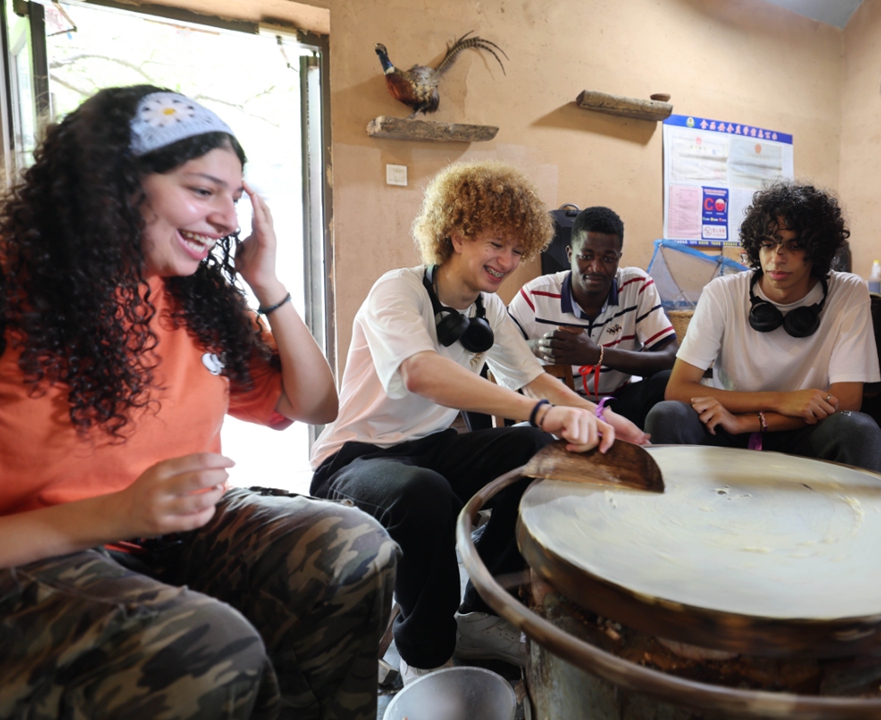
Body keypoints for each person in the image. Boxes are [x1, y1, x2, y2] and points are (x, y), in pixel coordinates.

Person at [0, 86, 396, 720]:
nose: (230, 221)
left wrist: (267, 283)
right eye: (203, 190)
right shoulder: (13, 288)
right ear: (110, 183)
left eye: (234, 199)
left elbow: (316, 404)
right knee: (206, 647)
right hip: (39, 554)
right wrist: (116, 512)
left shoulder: (193, 299)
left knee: (351, 547)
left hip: (173, 531)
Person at [309, 161, 647, 677]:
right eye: (496, 244)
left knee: (534, 448)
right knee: (422, 493)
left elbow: (535, 379)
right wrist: (543, 411)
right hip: (356, 458)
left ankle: (479, 615)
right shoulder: (396, 291)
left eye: (517, 249)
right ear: (457, 233)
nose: (507, 261)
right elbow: (423, 374)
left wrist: (602, 417)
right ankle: (426, 658)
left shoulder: (489, 306)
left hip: (430, 447)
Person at [645, 181, 881, 472]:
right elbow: (678, 388)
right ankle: (680, 513)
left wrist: (750, 421)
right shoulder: (723, 292)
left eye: (794, 246)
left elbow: (846, 400)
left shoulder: (848, 292)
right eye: (769, 244)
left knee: (858, 429)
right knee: (667, 415)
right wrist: (780, 401)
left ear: (817, 250)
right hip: (727, 427)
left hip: (804, 429)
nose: (777, 257)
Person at [507, 206, 679, 429]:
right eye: (586, 256)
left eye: (608, 258)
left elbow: (671, 357)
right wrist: (541, 346)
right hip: (559, 408)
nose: (596, 268)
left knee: (666, 382)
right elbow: (501, 347)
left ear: (619, 258)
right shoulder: (535, 295)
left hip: (617, 404)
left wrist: (598, 355)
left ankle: (650, 454)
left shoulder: (636, 286)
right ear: (569, 254)